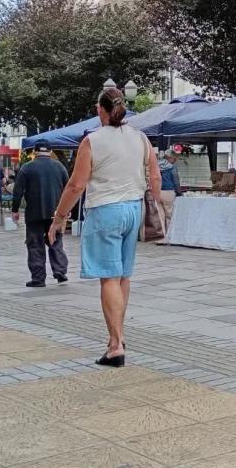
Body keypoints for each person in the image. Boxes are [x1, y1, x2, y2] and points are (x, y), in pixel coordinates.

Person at [48, 86, 162, 367]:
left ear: (100, 110)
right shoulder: (141, 138)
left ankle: (116, 344)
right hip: (133, 209)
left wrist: (59, 217)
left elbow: (76, 185)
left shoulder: (92, 141)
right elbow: (156, 177)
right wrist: (155, 203)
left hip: (105, 210)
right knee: (122, 276)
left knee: (109, 278)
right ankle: (118, 338)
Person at [12, 138, 70, 288]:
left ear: (34, 151)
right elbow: (68, 188)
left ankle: (38, 278)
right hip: (55, 213)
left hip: (34, 214)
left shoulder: (27, 168)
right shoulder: (59, 167)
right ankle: (60, 271)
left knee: (35, 245)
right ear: (50, 151)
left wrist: (15, 210)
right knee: (56, 241)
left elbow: (17, 192)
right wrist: (67, 210)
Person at [158, 149, 183, 224]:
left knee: (160, 216)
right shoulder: (172, 167)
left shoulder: (157, 165)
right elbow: (176, 182)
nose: (174, 161)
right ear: (169, 157)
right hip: (169, 192)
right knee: (169, 215)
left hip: (157, 192)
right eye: (174, 159)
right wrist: (179, 193)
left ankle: (162, 231)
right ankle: (169, 231)